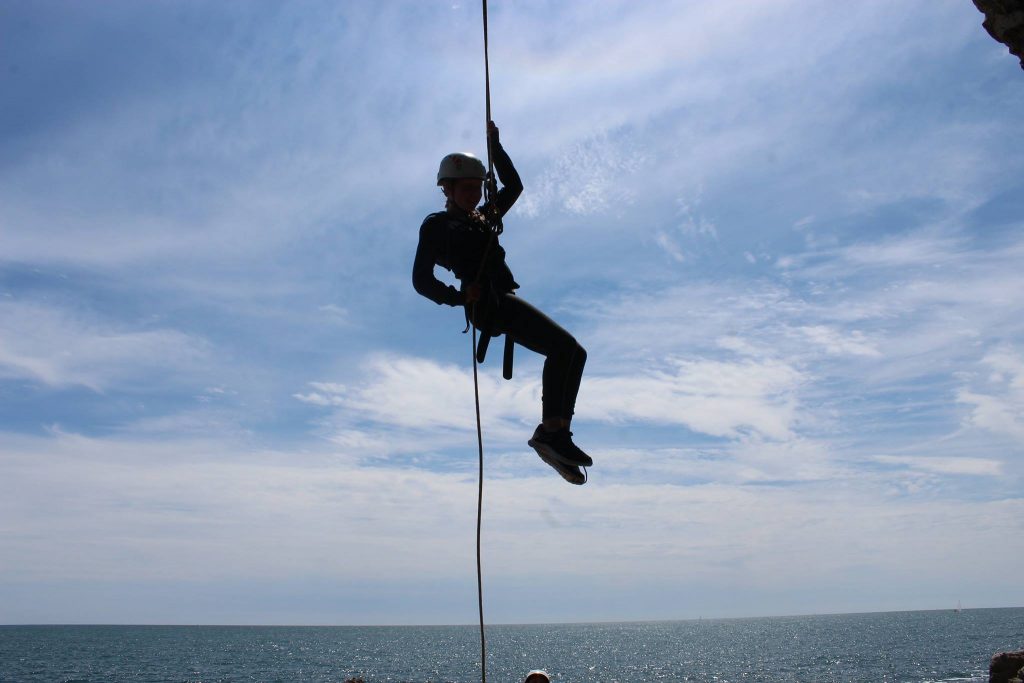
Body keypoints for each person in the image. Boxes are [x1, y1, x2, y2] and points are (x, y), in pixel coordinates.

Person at [412, 122, 591, 485]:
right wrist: (459, 296)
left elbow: (514, 187)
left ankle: (557, 433)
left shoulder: (484, 217)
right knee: (565, 349)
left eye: (477, 188)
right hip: (487, 306)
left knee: (574, 353)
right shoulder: (438, 226)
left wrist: (496, 148)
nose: (474, 195)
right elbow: (421, 280)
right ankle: (550, 435)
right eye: (465, 189)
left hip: (502, 299)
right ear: (446, 189)